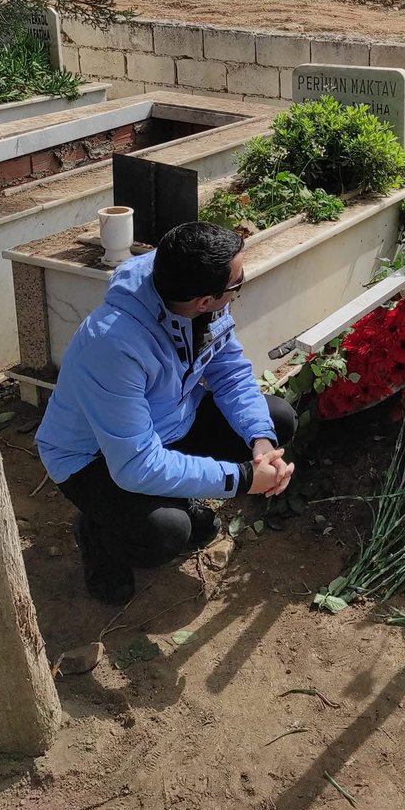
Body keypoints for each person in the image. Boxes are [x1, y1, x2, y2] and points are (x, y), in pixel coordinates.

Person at [36, 221, 297, 604]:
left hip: (168, 423)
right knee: (165, 533)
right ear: (204, 300)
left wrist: (259, 440)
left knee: (277, 420)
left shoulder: (193, 294)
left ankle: (172, 496)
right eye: (237, 284)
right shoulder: (112, 345)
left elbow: (229, 371)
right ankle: (97, 534)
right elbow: (136, 465)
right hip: (93, 458)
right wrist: (241, 478)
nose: (241, 287)